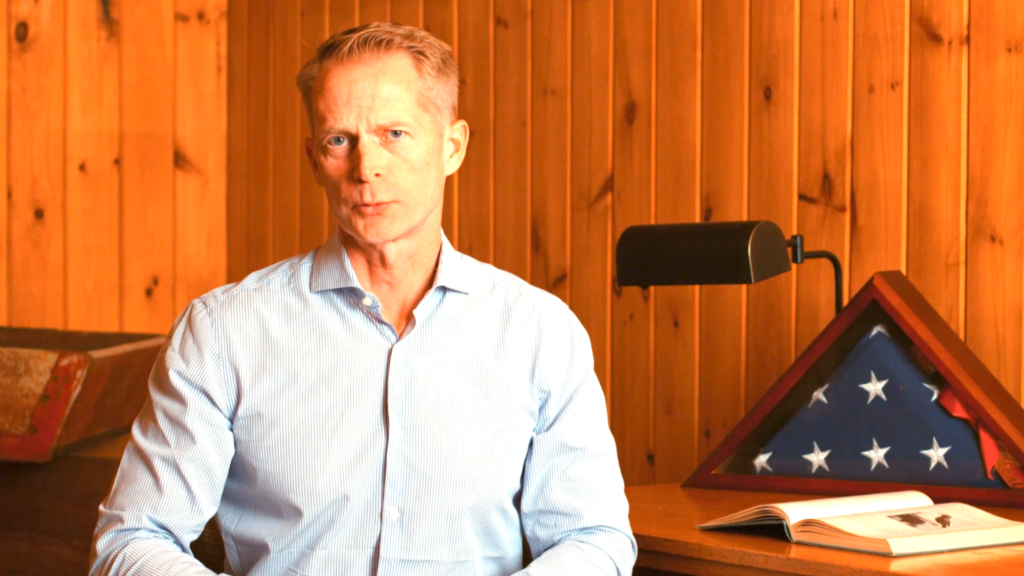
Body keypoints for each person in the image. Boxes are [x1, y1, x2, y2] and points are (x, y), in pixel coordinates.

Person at [91, 22, 636, 576]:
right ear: (313, 159)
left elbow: (593, 539)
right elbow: (132, 539)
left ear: (453, 146)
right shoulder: (222, 331)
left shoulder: (541, 332)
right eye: (339, 140)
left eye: (394, 134)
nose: (366, 168)